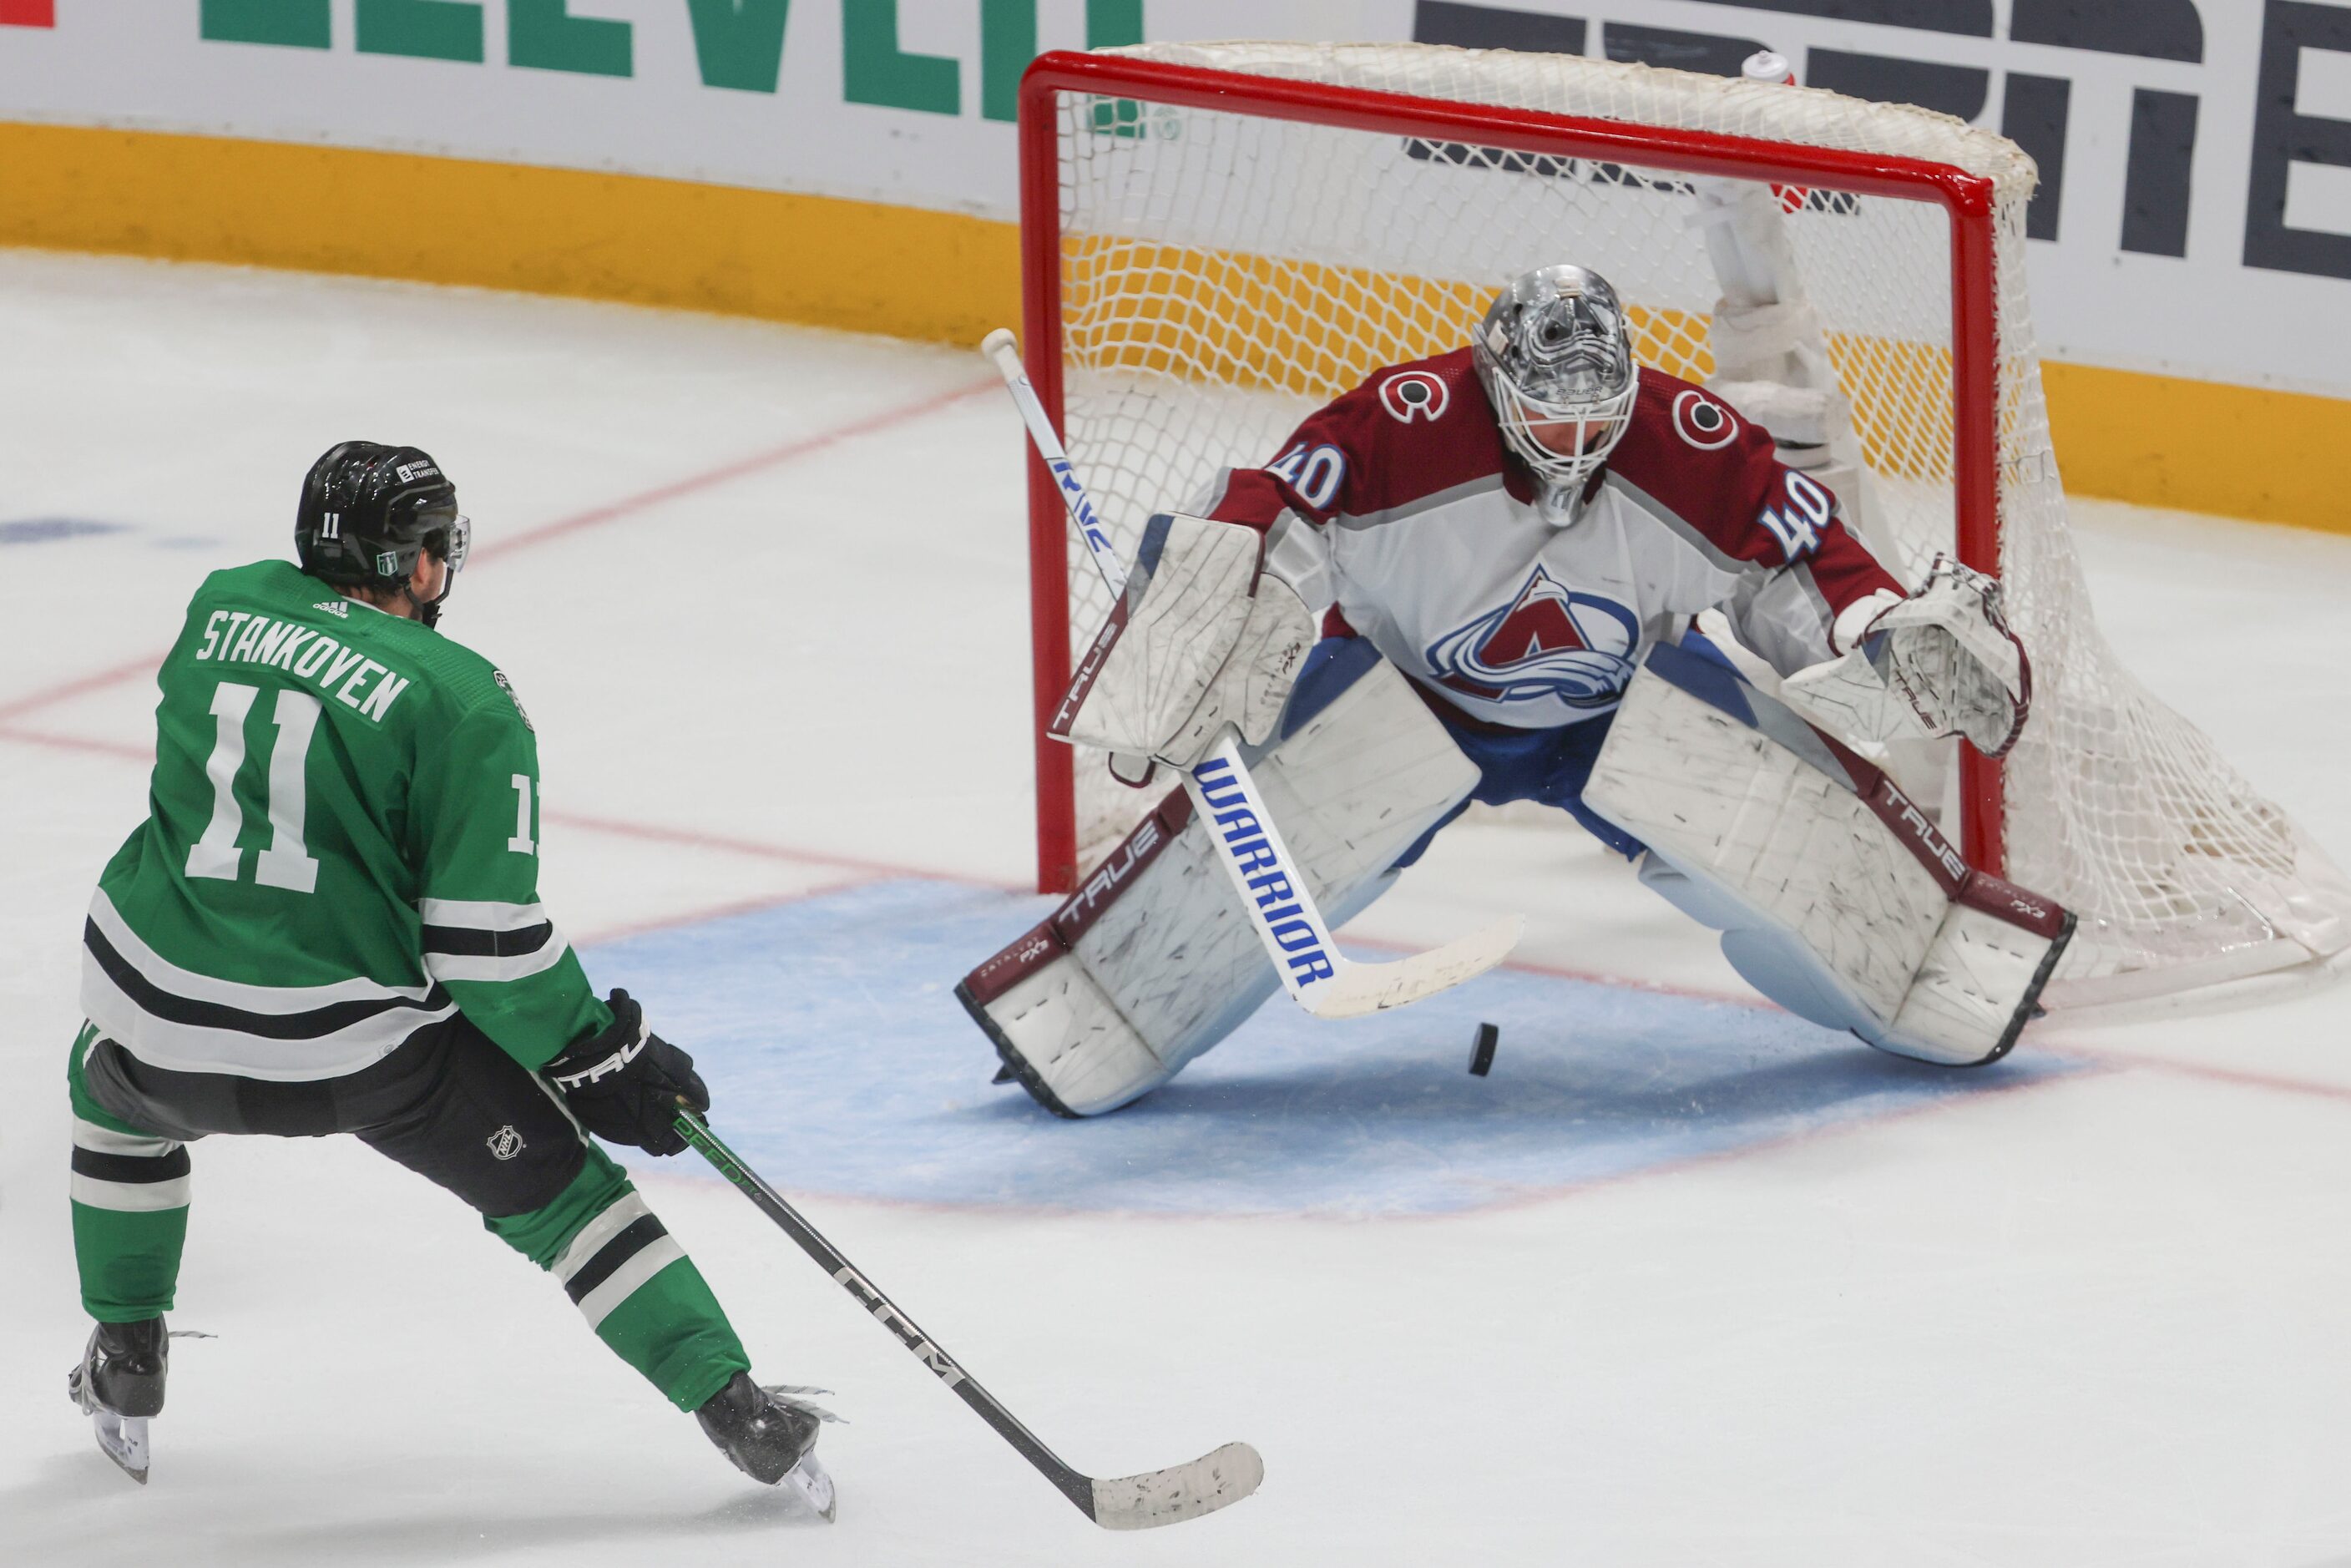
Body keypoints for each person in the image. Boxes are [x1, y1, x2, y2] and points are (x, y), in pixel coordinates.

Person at [959, 264, 2050, 1117]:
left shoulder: (1692, 444)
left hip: (1615, 705)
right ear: (1496, 378)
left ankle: (1943, 973)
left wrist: (1880, 626)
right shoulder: (1402, 422)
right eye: (1549, 413)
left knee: (1798, 824)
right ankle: (1086, 1014)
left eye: (1596, 417)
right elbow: (1271, 506)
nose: (1574, 443)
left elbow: (1802, 557)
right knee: (1268, 847)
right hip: (1407, 690)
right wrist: (1192, 630)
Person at [64, 441, 833, 1511]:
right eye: (434, 547)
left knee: (105, 1101)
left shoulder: (218, 606)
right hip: (359, 1059)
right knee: (568, 1202)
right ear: (418, 563)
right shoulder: (465, 700)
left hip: (155, 1031)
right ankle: (738, 1408)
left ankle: (126, 1349)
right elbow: (483, 946)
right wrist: (600, 1056)